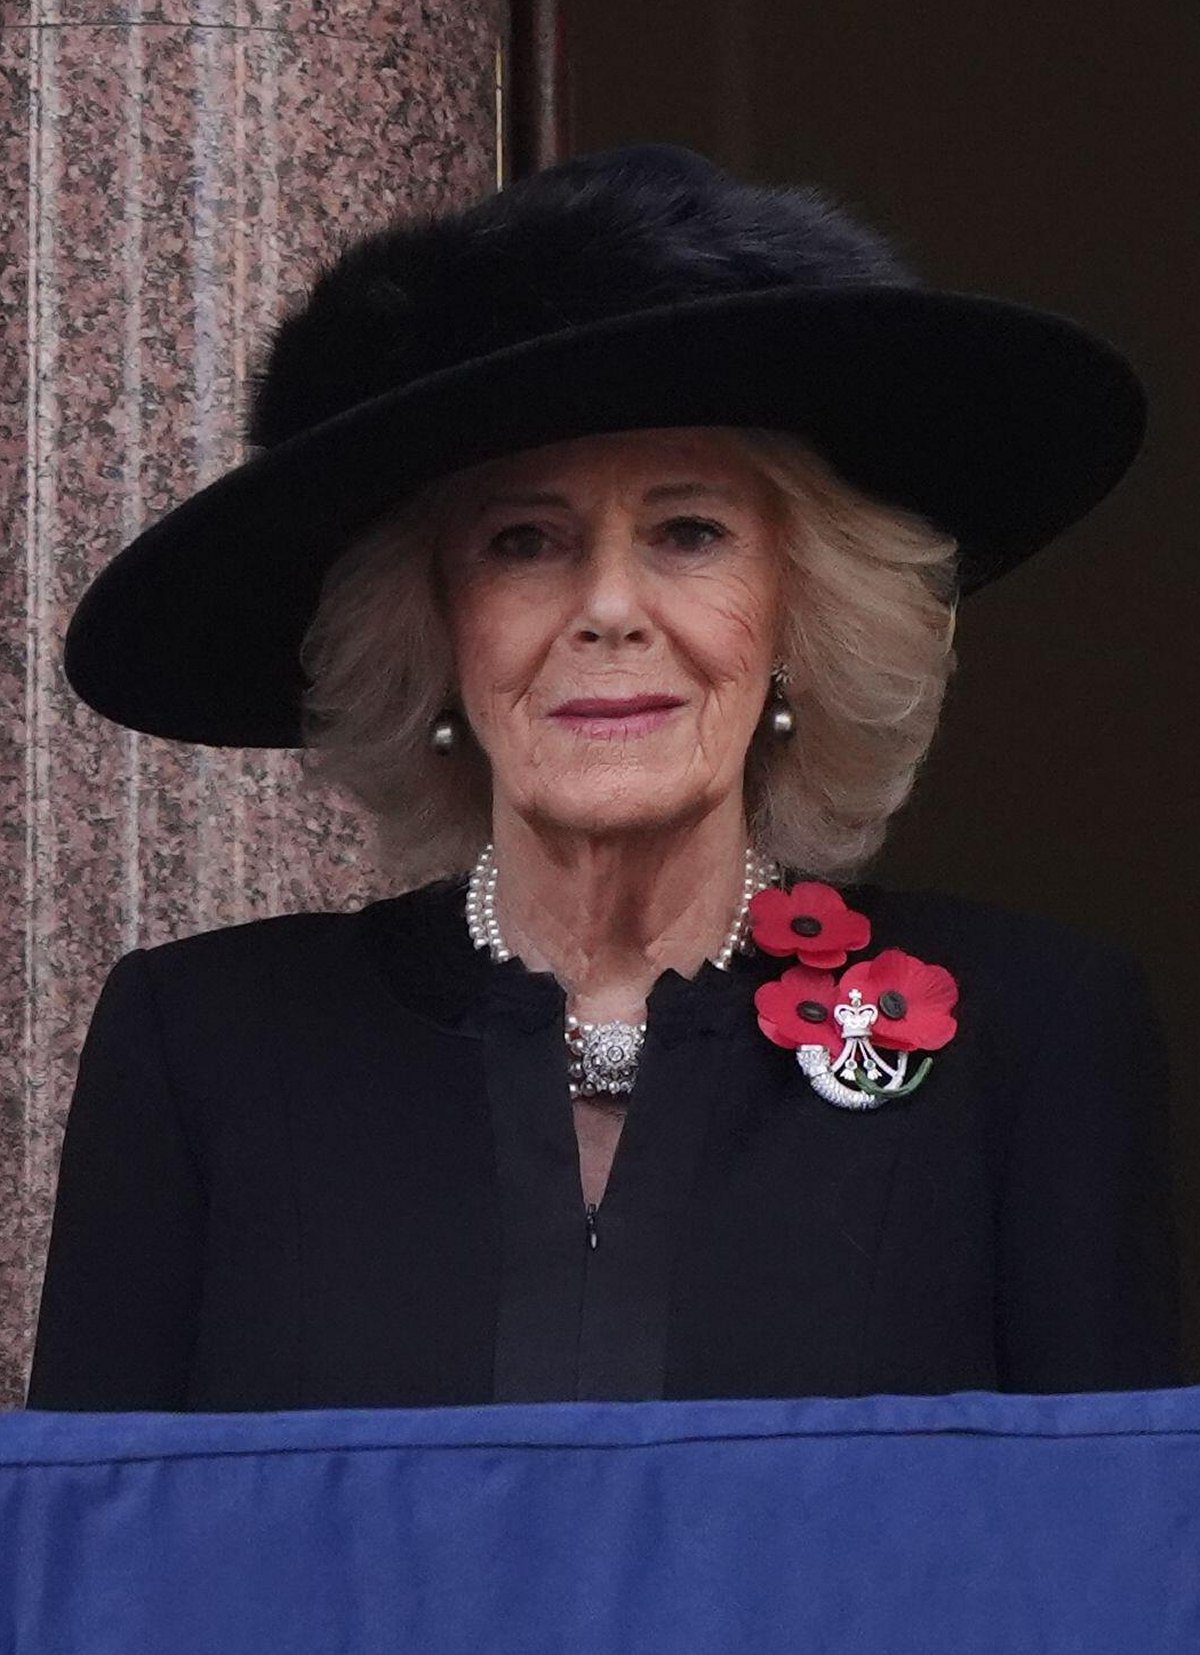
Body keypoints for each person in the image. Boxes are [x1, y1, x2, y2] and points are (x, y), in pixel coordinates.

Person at [25, 144, 1181, 1411]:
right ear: (435, 631)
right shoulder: (208, 1049)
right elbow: (101, 1571)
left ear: (801, 613)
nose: (611, 608)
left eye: (690, 533)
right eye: (526, 542)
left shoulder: (1033, 1040)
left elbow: (1104, 1570)